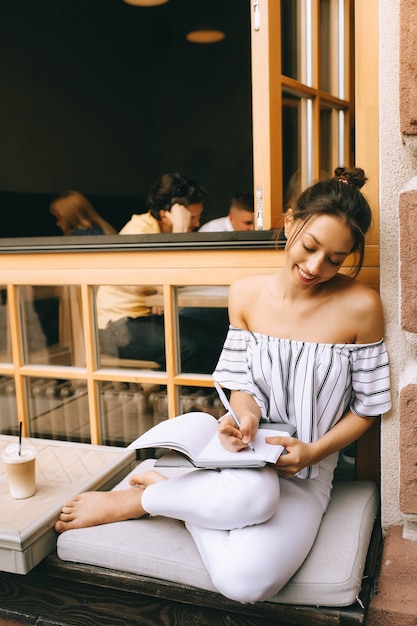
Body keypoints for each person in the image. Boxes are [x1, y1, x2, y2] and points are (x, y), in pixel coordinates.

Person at [55, 166, 391, 604]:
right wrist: (246, 416)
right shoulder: (247, 294)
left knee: (246, 584)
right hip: (244, 457)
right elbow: (240, 382)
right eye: (309, 247)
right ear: (290, 222)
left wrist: (313, 452)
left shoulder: (362, 306)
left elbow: (368, 406)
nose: (315, 267)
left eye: (335, 258)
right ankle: (136, 503)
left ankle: (162, 493)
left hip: (310, 470)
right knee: (252, 498)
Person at [96, 172, 215, 373]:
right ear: (164, 213)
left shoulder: (159, 232)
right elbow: (171, 280)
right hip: (116, 326)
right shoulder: (140, 232)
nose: (196, 224)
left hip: (142, 317)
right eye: (191, 217)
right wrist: (179, 229)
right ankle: (181, 399)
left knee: (211, 337)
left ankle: (206, 397)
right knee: (190, 348)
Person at [50, 190, 116, 236]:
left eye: (59, 219)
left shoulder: (78, 239)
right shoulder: (103, 231)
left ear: (71, 219)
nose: (58, 224)